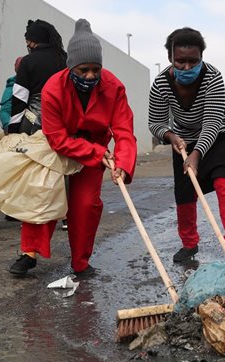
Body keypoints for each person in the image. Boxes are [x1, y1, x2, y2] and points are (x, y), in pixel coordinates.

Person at [9, 19, 137, 276]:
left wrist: (122, 164)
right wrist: (96, 153)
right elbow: (56, 137)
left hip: (95, 152)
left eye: (95, 69)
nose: (90, 76)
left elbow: (124, 130)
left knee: (86, 205)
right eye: (83, 70)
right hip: (58, 148)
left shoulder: (113, 86)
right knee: (42, 194)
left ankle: (81, 261)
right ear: (70, 67)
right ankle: (29, 253)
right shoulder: (53, 89)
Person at [148, 27, 225, 263]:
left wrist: (197, 154)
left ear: (201, 57)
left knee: (224, 181)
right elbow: (155, 122)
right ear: (170, 58)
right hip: (182, 139)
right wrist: (170, 136)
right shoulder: (161, 83)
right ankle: (189, 244)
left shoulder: (213, 77)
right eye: (180, 61)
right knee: (184, 191)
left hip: (221, 133)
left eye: (193, 61)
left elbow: (212, 122)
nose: (186, 67)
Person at [7, 19, 67, 134]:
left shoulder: (28, 61)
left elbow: (19, 99)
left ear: (34, 40)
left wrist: (13, 132)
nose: (28, 45)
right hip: (63, 125)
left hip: (33, 126)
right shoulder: (67, 60)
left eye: (28, 41)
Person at [0, 56, 23, 131]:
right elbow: (5, 111)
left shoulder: (37, 84)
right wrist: (8, 127)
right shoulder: (11, 87)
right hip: (16, 129)